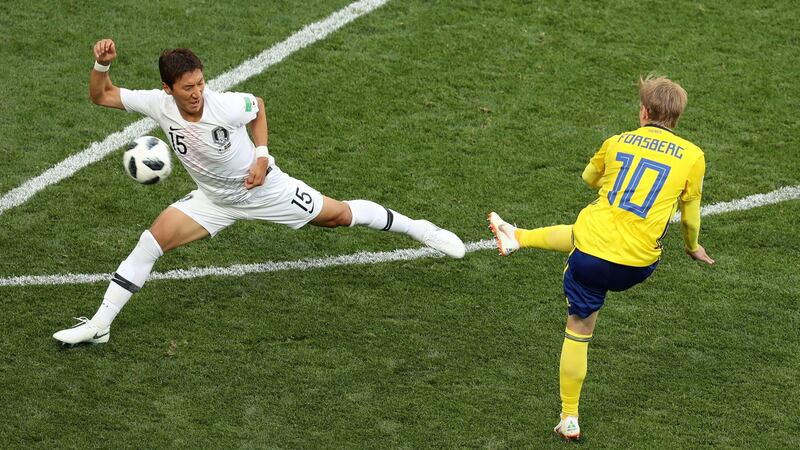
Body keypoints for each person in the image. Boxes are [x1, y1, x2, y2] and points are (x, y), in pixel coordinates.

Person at [53, 39, 465, 345]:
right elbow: (101, 94)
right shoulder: (157, 105)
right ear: (167, 89)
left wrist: (262, 156)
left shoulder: (225, 105)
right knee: (150, 243)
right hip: (212, 200)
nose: (196, 93)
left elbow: (259, 106)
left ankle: (419, 229)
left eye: (199, 83)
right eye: (187, 88)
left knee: (337, 216)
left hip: (265, 190)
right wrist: (100, 64)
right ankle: (99, 325)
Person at [488, 75, 714, 440]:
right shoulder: (693, 156)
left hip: (592, 257)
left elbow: (589, 178)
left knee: (579, 326)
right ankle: (517, 237)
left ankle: (570, 416)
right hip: (639, 266)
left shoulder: (617, 142)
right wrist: (692, 247)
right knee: (593, 229)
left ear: (643, 111)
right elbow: (690, 216)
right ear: (677, 118)